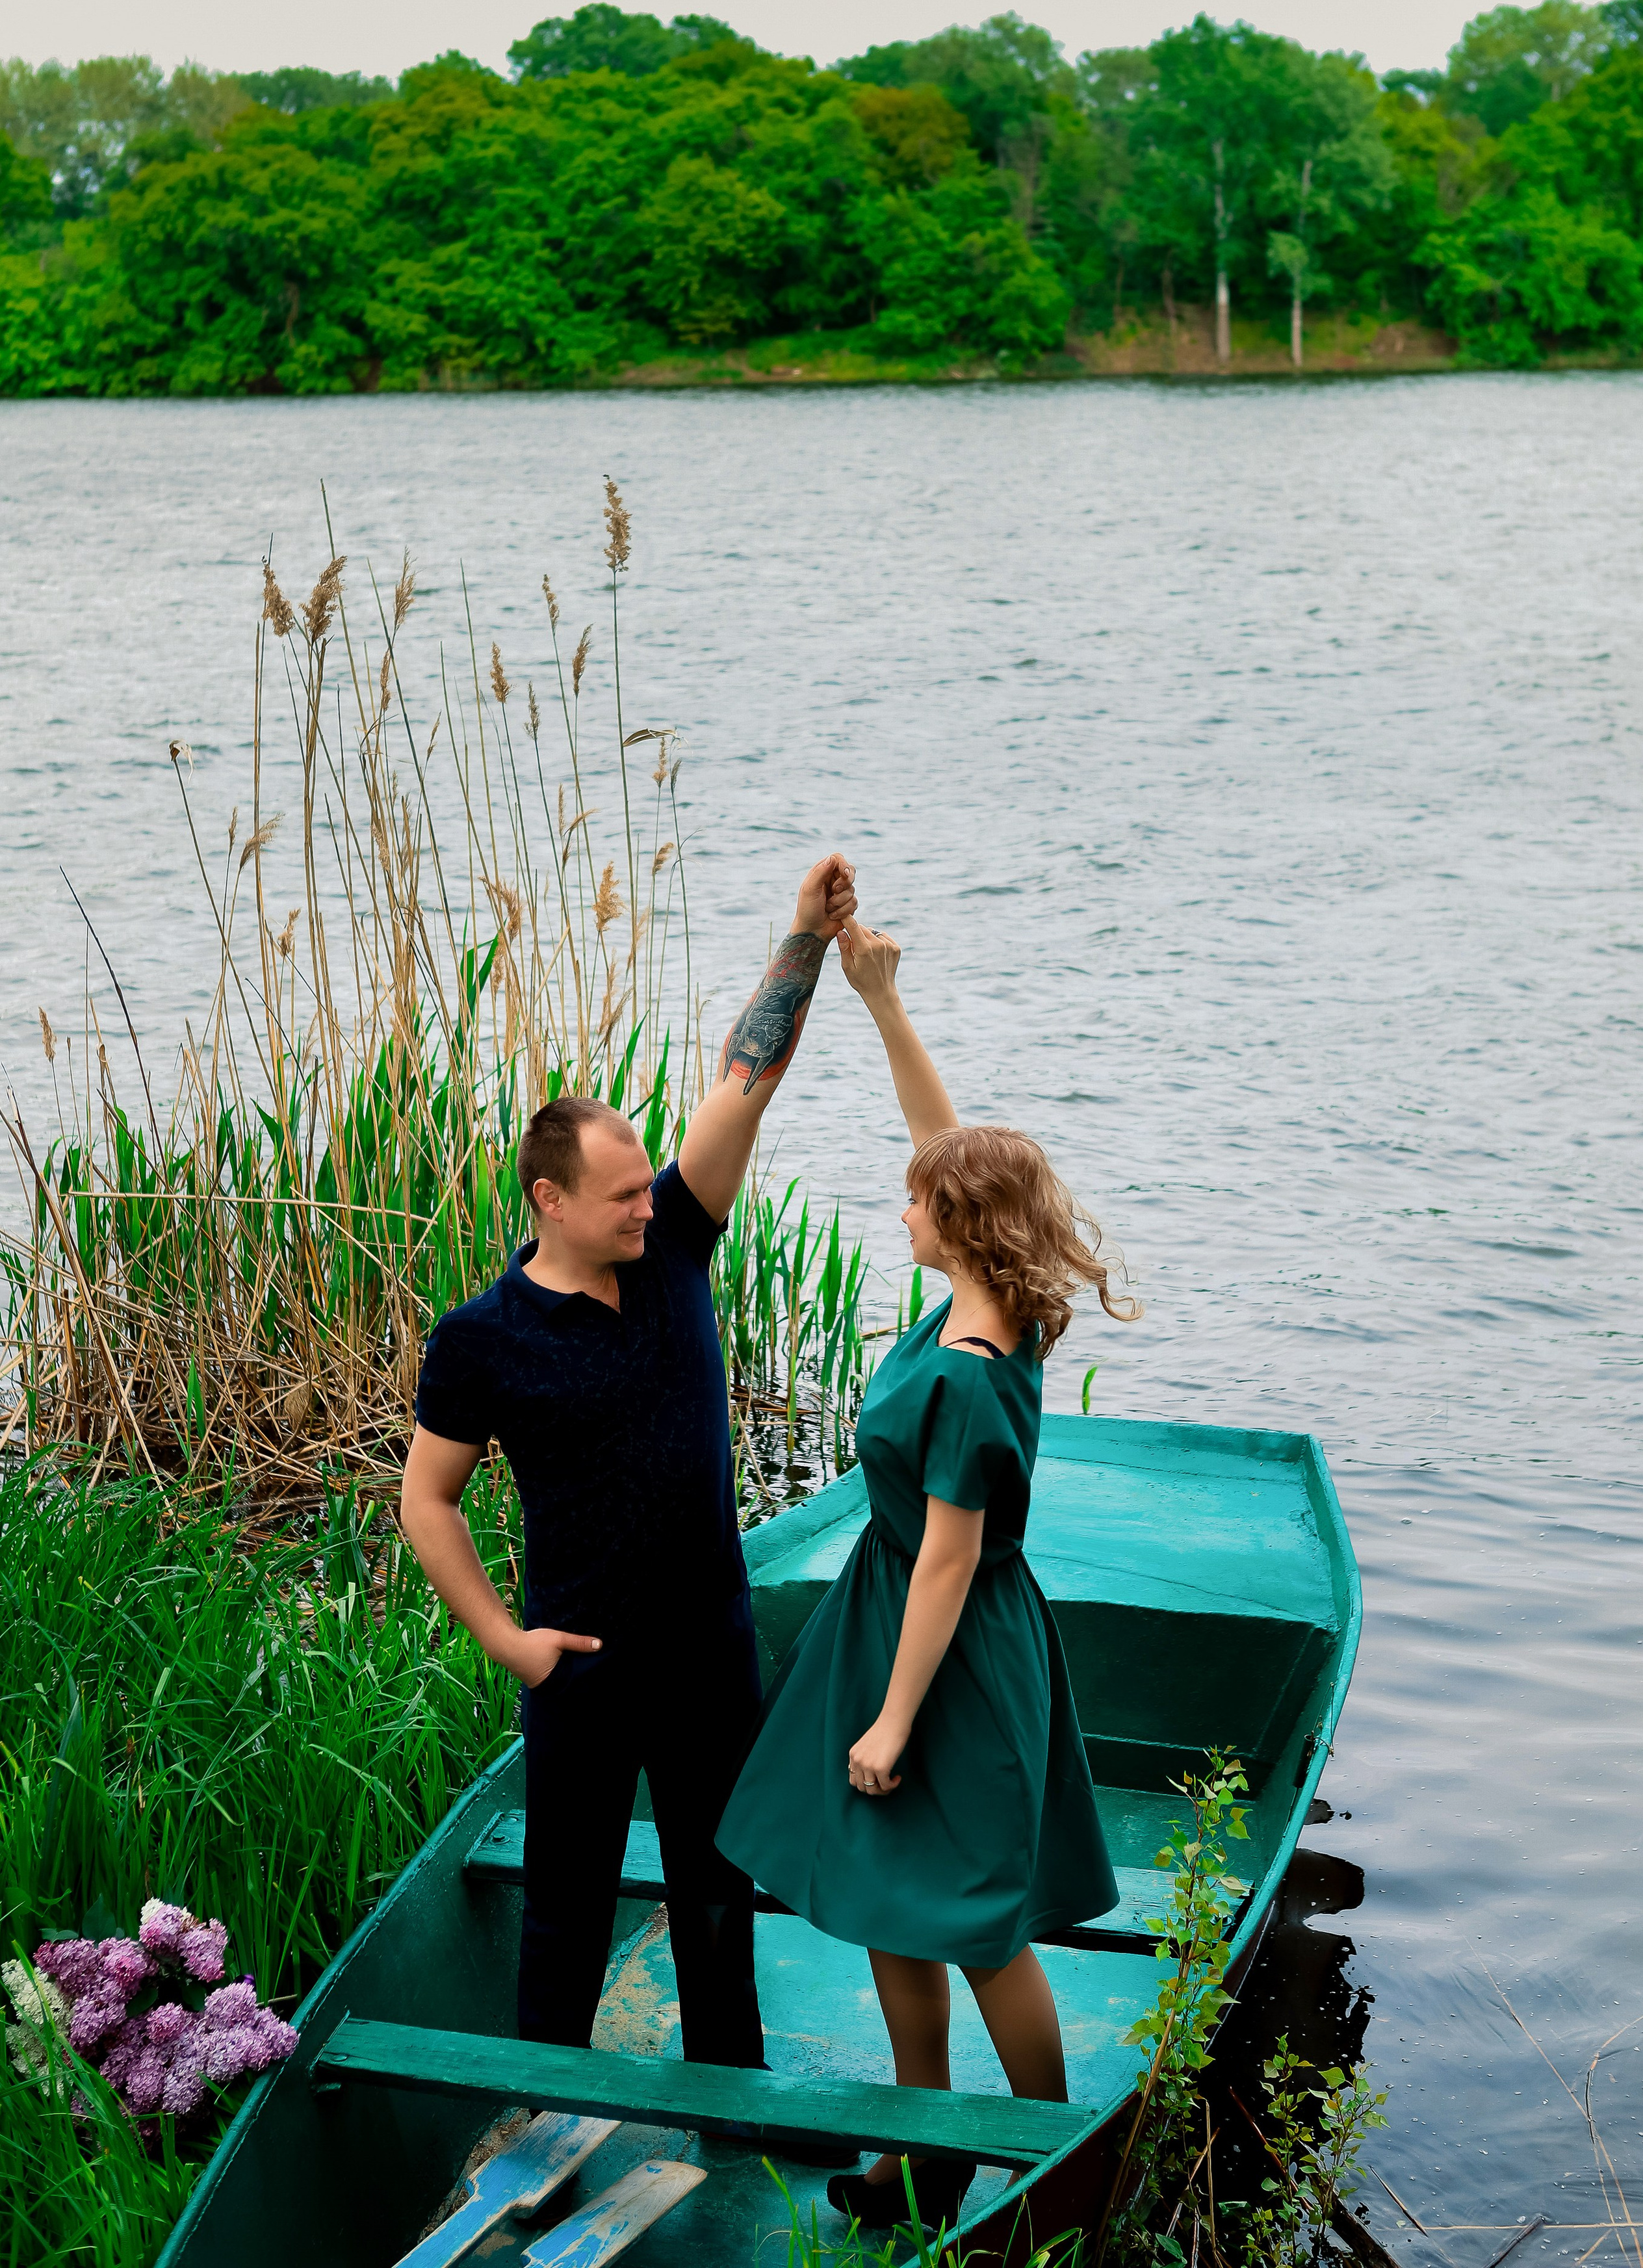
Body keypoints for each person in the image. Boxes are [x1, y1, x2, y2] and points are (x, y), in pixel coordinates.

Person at [717, 916, 1142, 2230]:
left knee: (974, 1922)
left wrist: (894, 1718)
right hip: (893, 1617)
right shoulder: (984, 1303)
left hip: (940, 1647)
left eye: (916, 1196)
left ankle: (1050, 2161)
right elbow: (942, 1148)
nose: (899, 1197)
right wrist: (880, 1004)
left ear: (953, 1225)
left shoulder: (966, 1366)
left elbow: (950, 1559)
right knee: (883, 1900)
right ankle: (921, 2145)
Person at [400, 853, 857, 2067]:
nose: (646, 1208)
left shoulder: (675, 1249)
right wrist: (507, 1642)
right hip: (583, 1660)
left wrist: (803, 937)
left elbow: (746, 1082)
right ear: (548, 1200)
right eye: (618, 1198)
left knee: (719, 1891)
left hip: (709, 1644)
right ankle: (547, 2114)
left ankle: (730, 2097)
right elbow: (427, 1500)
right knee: (568, 1905)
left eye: (647, 1188)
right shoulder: (483, 1342)